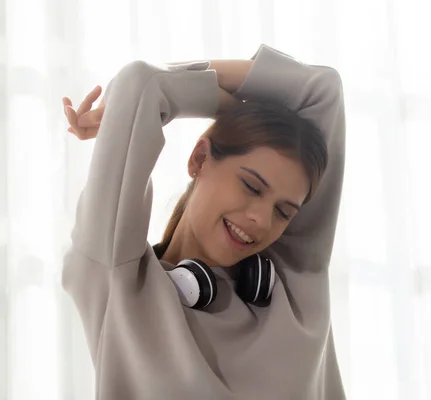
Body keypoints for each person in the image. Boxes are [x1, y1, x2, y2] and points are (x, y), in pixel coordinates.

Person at [61, 45, 346, 399]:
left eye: (284, 212)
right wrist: (225, 108)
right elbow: (141, 85)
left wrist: (237, 110)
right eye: (252, 186)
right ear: (199, 158)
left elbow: (323, 88)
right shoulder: (118, 283)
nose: (261, 219)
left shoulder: (296, 282)